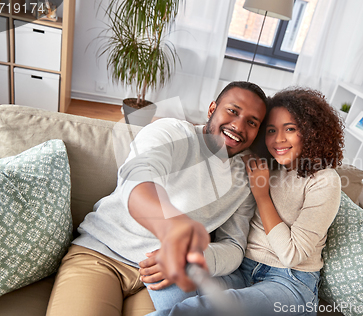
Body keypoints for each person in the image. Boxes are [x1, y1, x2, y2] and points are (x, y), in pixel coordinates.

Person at [45, 81, 267, 316]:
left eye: (252, 122)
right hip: (102, 255)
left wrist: (191, 259)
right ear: (212, 109)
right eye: (233, 111)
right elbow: (137, 180)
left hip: (162, 280)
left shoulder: (247, 176)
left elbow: (233, 246)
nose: (239, 125)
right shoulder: (171, 132)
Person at [140, 87, 345, 315]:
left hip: (289, 282)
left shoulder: (325, 180)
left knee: (200, 310)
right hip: (241, 272)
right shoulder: (261, 164)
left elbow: (291, 255)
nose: (278, 140)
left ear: (310, 131)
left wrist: (261, 195)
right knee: (168, 275)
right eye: (270, 130)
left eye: (289, 129)